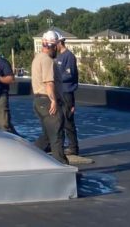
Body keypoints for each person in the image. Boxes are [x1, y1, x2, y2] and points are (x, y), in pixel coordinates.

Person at [32, 30, 67, 164]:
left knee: (47, 136)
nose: (57, 49)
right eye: (57, 45)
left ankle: (32, 157)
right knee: (56, 136)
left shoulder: (37, 58)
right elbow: (49, 82)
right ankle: (63, 168)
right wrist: (53, 101)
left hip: (38, 101)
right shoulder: (47, 60)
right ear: (53, 45)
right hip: (47, 101)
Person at [54, 32, 81, 157]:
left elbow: (69, 75)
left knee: (68, 120)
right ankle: (65, 145)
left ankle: (73, 147)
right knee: (60, 120)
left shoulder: (69, 56)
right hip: (60, 92)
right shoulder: (59, 57)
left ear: (60, 43)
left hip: (67, 92)